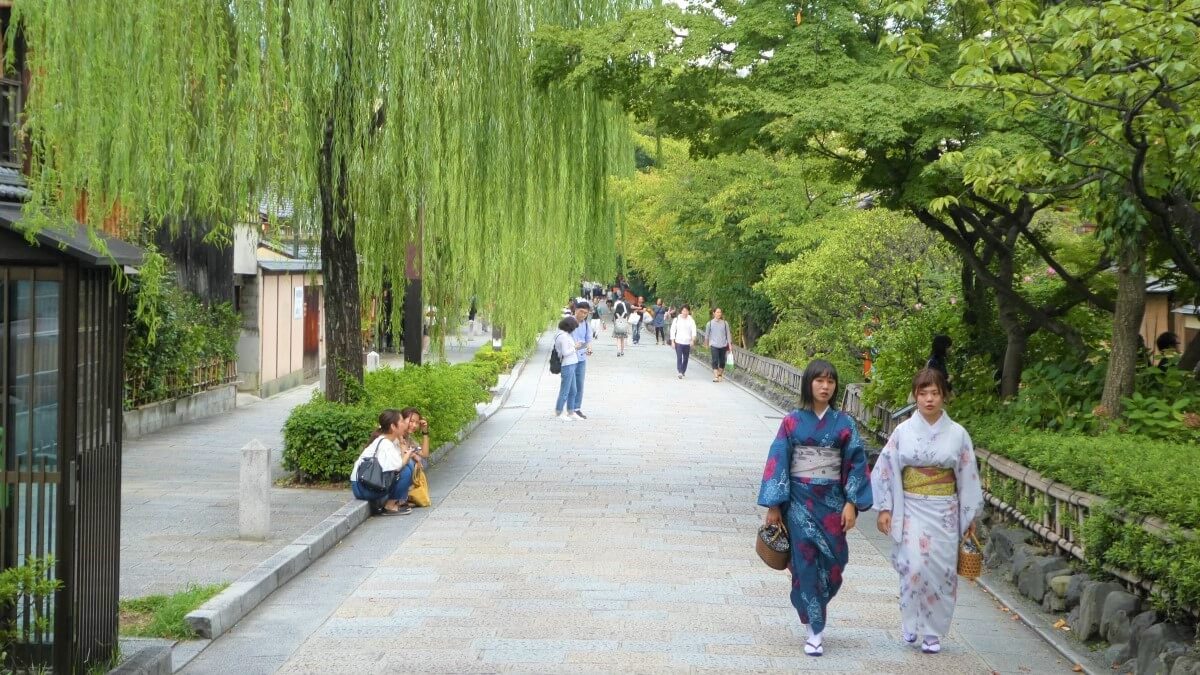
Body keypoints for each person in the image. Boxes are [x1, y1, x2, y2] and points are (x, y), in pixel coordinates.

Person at [758, 360, 872, 657]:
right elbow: (778, 458)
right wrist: (774, 505)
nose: (825, 386)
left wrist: (852, 503)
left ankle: (816, 611)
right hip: (798, 502)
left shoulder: (845, 423)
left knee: (835, 565)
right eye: (819, 380)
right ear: (808, 383)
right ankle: (814, 630)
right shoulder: (792, 421)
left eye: (831, 381)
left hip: (833, 503)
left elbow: (857, 463)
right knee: (805, 562)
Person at [872, 368, 983, 655]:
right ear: (916, 396)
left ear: (944, 396)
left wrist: (969, 517)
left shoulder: (958, 434)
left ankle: (933, 632)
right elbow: (886, 467)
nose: (929, 399)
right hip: (910, 506)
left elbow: (968, 475)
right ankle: (911, 623)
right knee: (913, 567)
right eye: (923, 393)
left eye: (935, 393)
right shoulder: (903, 431)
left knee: (941, 570)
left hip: (945, 510)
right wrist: (885, 507)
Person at [350, 409, 420, 515]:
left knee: (408, 466)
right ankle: (390, 506)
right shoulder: (385, 444)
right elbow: (399, 466)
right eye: (401, 422)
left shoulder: (386, 440)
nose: (404, 424)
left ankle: (395, 501)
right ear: (393, 426)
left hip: (363, 485)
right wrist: (408, 453)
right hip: (363, 488)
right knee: (406, 470)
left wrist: (402, 444)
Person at [570, 302, 595, 419]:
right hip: (569, 358)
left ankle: (577, 408)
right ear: (576, 310)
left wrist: (589, 348)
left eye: (586, 313)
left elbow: (588, 339)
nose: (584, 315)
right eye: (582, 312)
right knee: (571, 384)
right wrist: (572, 344)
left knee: (579, 384)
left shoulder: (586, 324)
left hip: (581, 358)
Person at [553, 316, 581, 421]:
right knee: (565, 390)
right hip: (567, 364)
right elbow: (565, 352)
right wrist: (575, 347)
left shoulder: (565, 334)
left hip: (572, 363)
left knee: (573, 390)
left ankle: (571, 411)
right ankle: (559, 411)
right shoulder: (563, 336)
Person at [669, 304, 697, 379]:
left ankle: (683, 370)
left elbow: (694, 331)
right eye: (684, 310)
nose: (685, 312)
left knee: (685, 358)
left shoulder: (691, 320)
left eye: (687, 311)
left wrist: (692, 340)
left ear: (689, 311)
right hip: (678, 341)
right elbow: (672, 330)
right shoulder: (676, 320)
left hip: (687, 342)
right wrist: (672, 341)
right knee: (679, 357)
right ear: (681, 311)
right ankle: (680, 371)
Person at [705, 307, 732, 382]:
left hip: (723, 345)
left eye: (720, 312)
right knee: (715, 360)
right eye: (717, 312)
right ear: (714, 313)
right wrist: (706, 344)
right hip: (714, 345)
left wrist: (729, 344)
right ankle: (716, 376)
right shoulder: (709, 323)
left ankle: (720, 374)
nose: (719, 314)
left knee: (722, 362)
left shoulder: (724, 323)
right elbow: (706, 335)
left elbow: (728, 334)